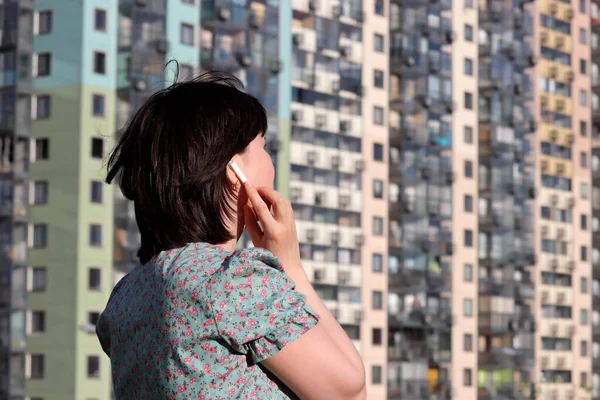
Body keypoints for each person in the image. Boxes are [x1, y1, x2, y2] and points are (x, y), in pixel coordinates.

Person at [96, 70, 366, 399]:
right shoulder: (232, 280)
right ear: (234, 172)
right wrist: (291, 267)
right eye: (265, 147)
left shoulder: (127, 294)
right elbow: (349, 391)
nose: (271, 162)